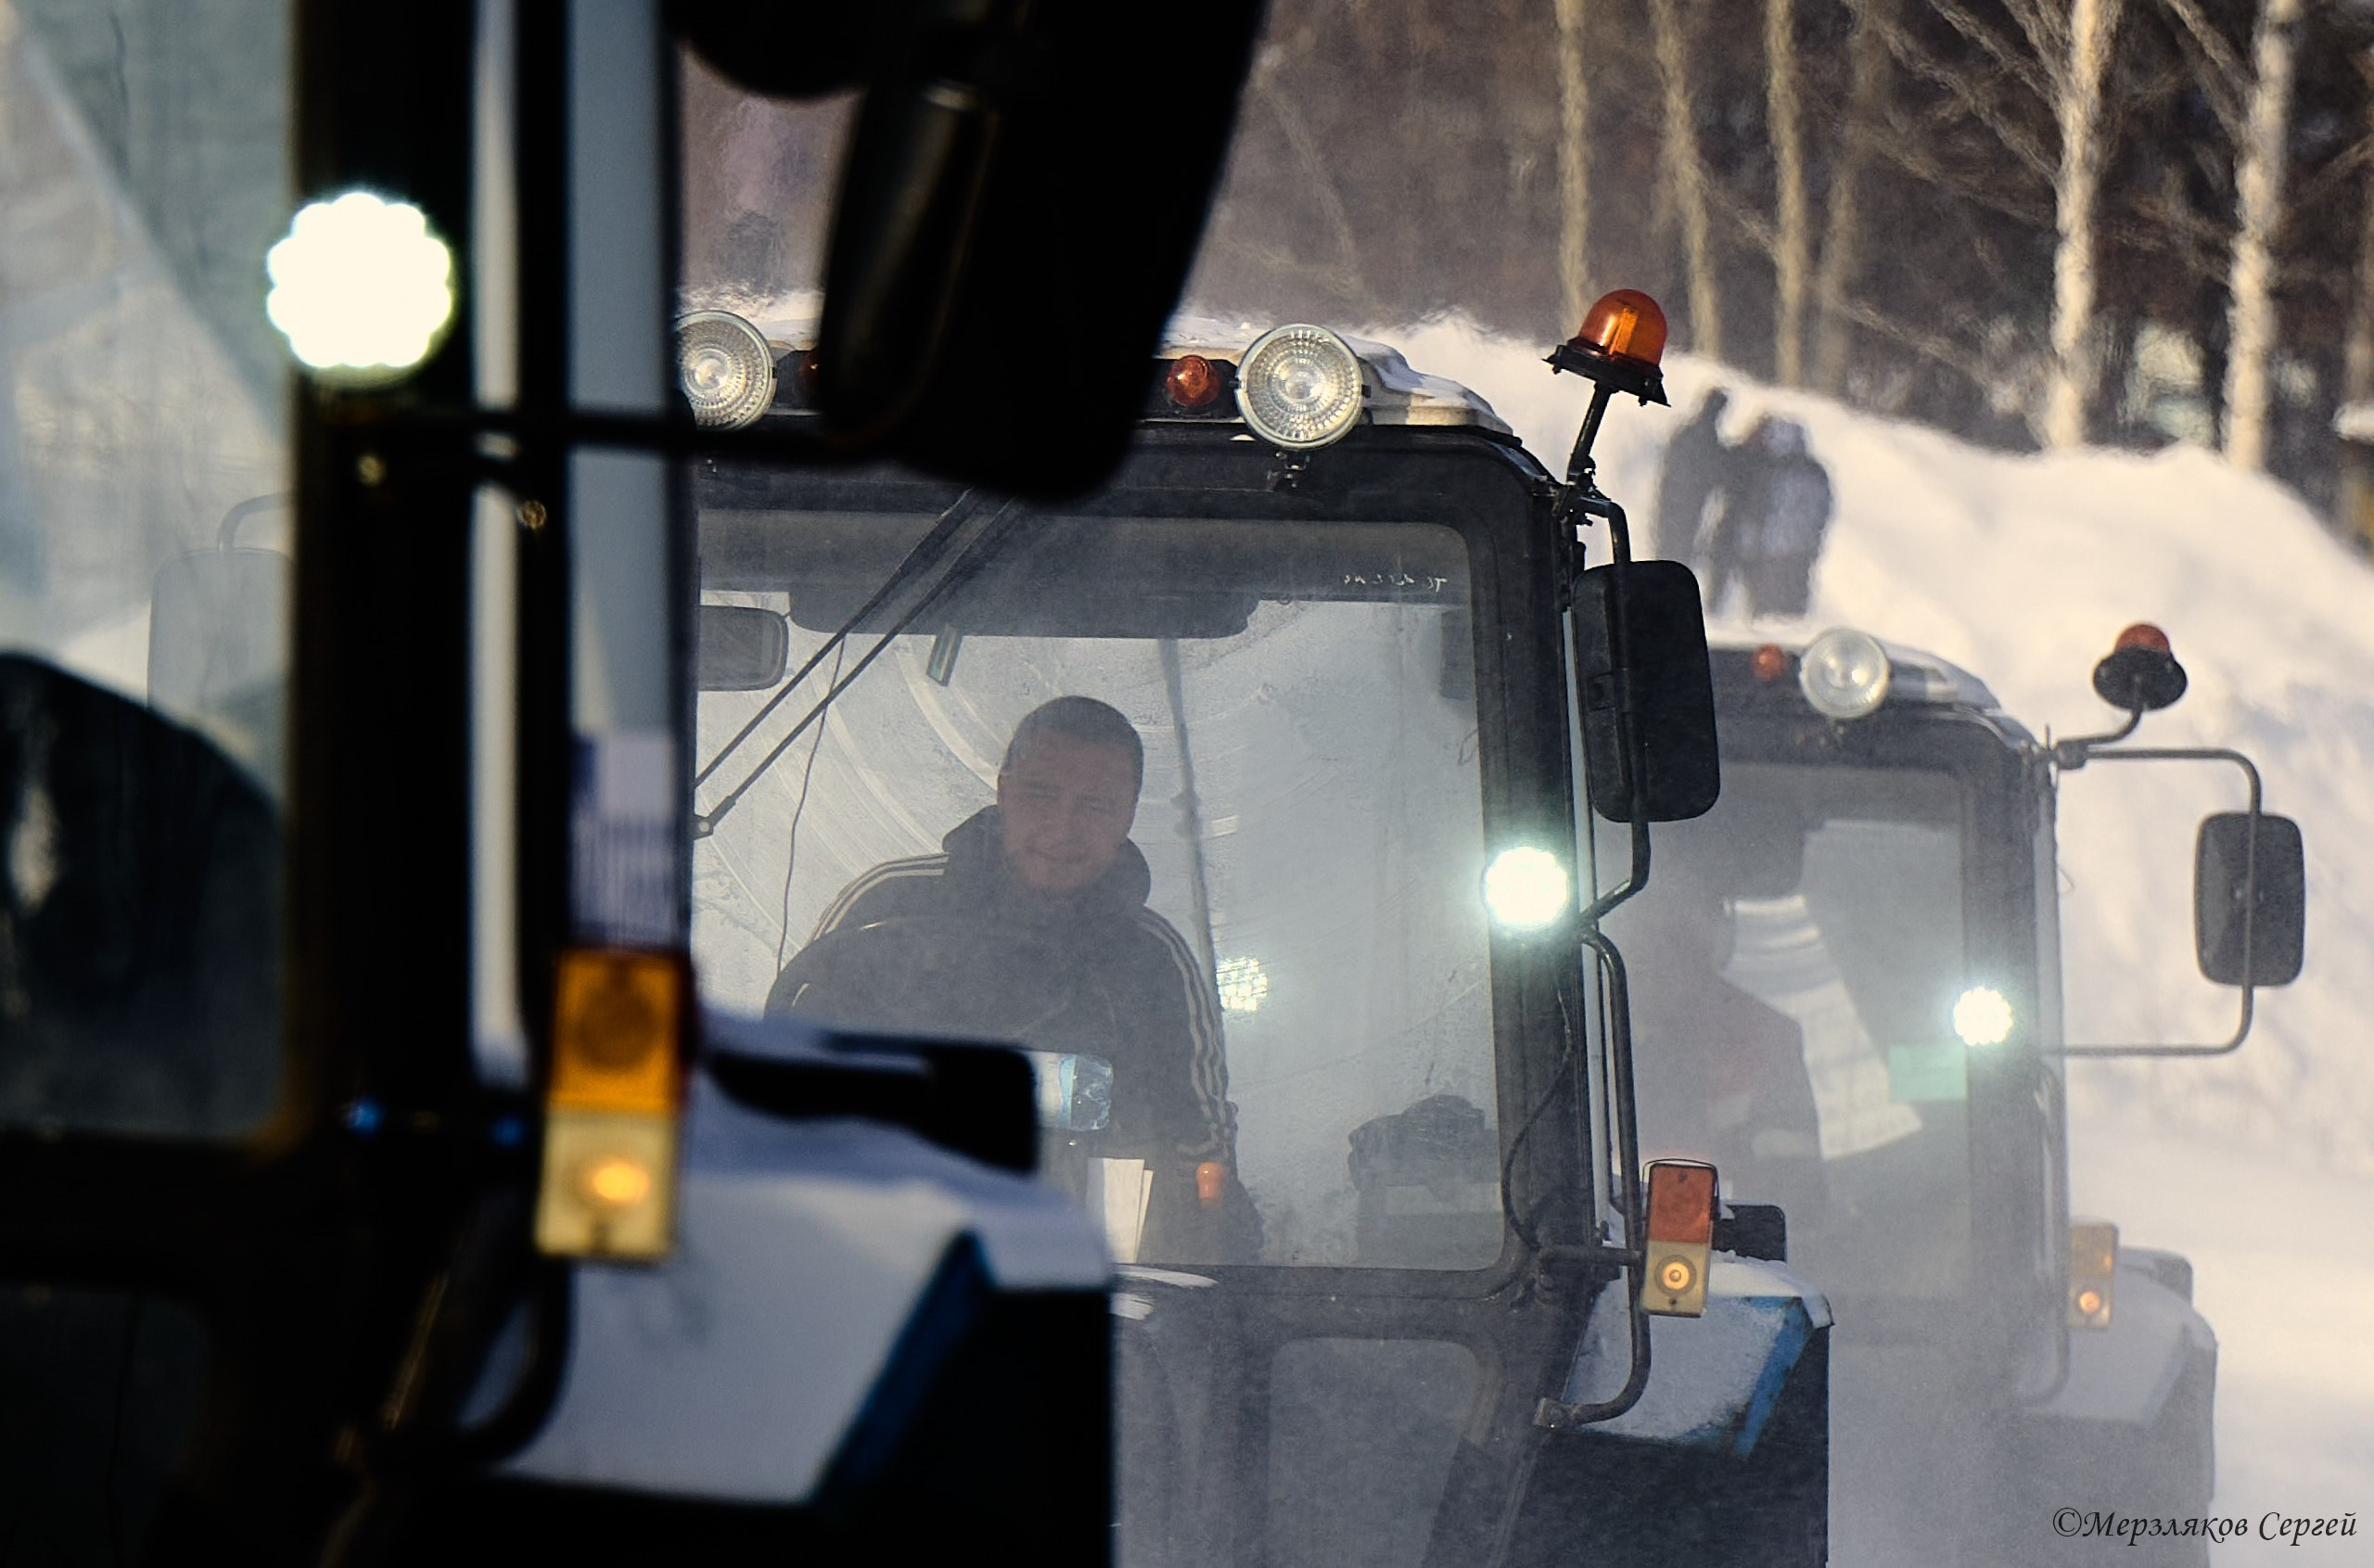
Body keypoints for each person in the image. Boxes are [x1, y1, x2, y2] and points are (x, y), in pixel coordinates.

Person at [767, 695, 1251, 1253]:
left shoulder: (1156, 962)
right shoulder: (884, 910)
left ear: (1128, 817)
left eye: (1095, 805)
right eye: (1042, 795)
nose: (1063, 827)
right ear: (1002, 792)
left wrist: (1208, 1232)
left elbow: (1204, 1153)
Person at [1718, 415, 1833, 618]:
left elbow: (1757, 509)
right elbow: (1824, 511)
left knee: (1766, 612)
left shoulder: (1772, 470)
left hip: (1771, 552)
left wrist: (1747, 544)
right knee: (1793, 610)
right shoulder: (1817, 472)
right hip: (1802, 553)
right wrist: (1814, 542)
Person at [1658, 388, 1733, 567]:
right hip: (1683, 502)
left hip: (1682, 501)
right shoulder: (1705, 437)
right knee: (1675, 549)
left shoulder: (1690, 432)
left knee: (1673, 548)